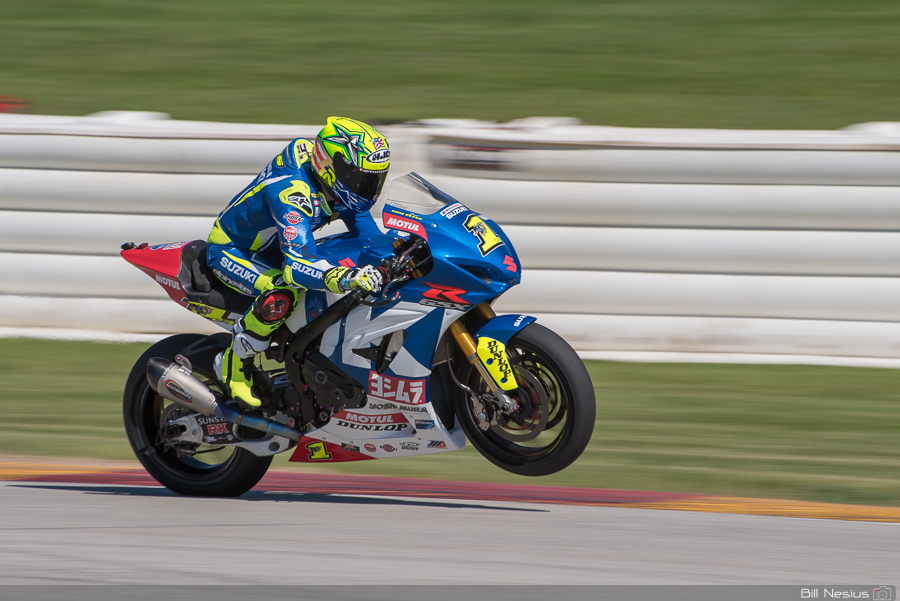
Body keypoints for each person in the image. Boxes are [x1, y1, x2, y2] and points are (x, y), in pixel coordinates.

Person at [207, 116, 390, 408]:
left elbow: (365, 228)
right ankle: (233, 363)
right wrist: (346, 278)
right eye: (361, 179)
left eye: (373, 179)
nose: (368, 188)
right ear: (331, 167)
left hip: (276, 248)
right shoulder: (293, 195)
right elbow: (296, 266)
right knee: (284, 290)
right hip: (233, 250)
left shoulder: (326, 173)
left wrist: (393, 252)